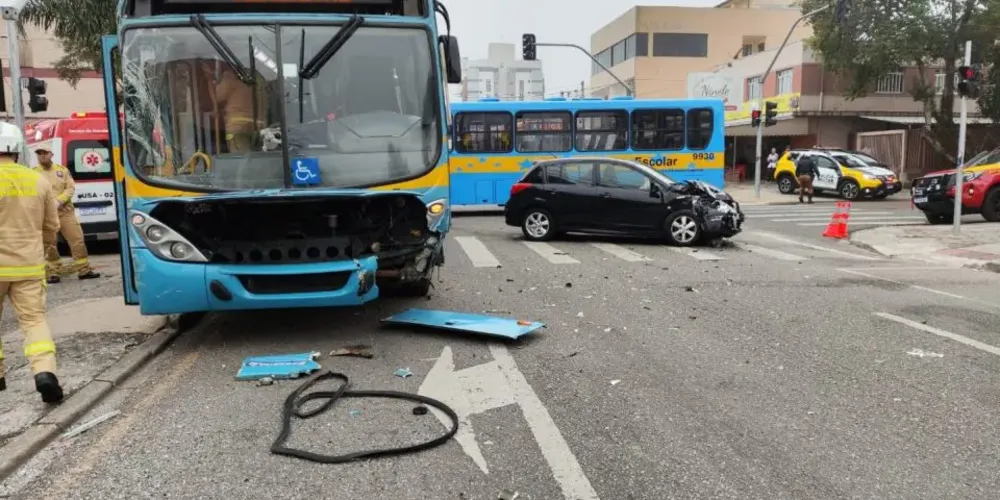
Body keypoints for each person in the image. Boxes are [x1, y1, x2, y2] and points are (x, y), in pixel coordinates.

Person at [0, 124, 65, 402]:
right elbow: (52, 226)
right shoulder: (38, 180)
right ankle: (44, 373)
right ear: (17, 149)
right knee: (34, 321)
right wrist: (44, 247)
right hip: (28, 264)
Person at [33, 147, 101, 283]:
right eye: (39, 154)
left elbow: (70, 188)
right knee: (49, 244)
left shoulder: (62, 171)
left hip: (65, 212)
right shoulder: (34, 173)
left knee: (77, 240)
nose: (42, 156)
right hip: (46, 214)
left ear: (51, 154)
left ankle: (84, 270)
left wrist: (59, 200)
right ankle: (54, 272)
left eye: (45, 153)